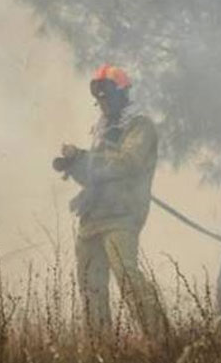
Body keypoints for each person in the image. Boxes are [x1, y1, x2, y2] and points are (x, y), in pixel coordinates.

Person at [53, 64, 166, 336]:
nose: (103, 102)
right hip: (92, 218)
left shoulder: (139, 126)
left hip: (122, 216)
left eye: (108, 95)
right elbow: (95, 174)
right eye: (99, 96)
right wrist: (75, 165)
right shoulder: (102, 129)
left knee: (127, 277)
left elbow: (127, 163)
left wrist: (84, 158)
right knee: (90, 286)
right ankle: (100, 347)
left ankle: (162, 341)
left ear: (123, 94)